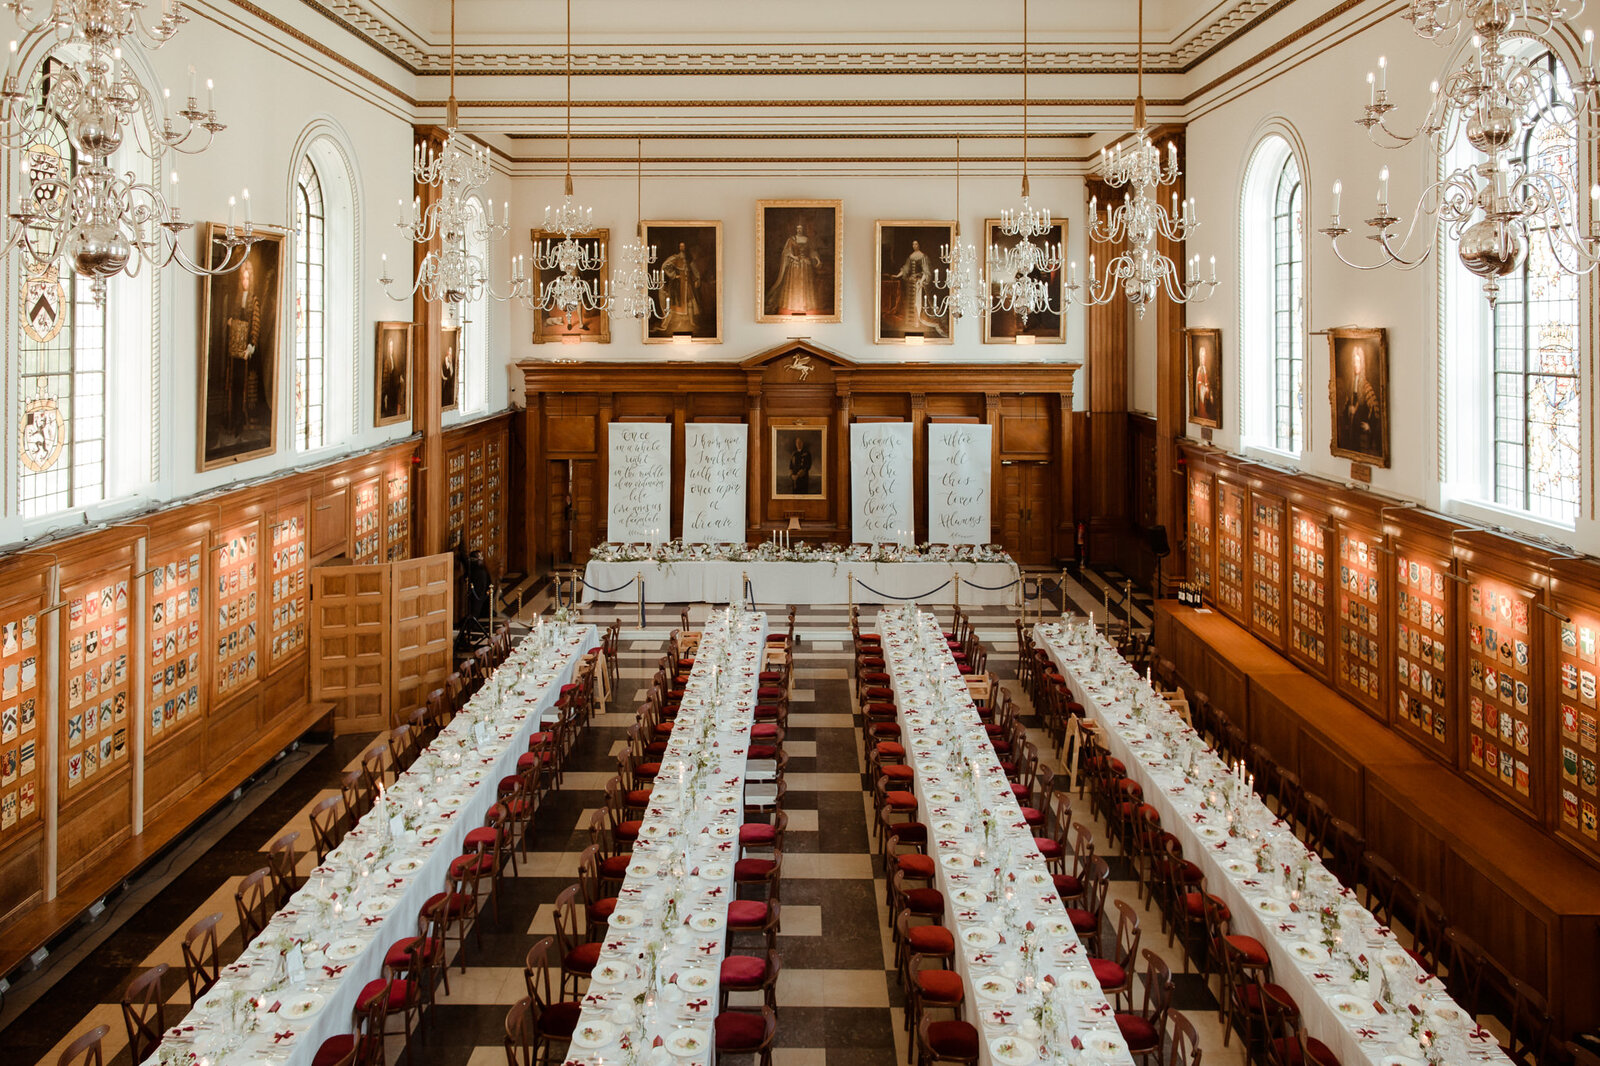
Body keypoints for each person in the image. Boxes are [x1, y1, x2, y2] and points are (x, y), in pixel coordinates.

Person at [890, 239, 946, 337]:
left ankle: (919, 323)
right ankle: (912, 324)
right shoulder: (911, 256)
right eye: (913, 244)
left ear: (919, 245)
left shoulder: (923, 256)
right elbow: (906, 269)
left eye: (916, 244)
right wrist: (897, 275)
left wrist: (921, 281)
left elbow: (926, 271)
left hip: (919, 283)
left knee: (918, 302)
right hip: (911, 283)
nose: (914, 246)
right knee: (910, 303)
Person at [766, 221, 822, 315]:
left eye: (801, 229)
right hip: (795, 265)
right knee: (795, 284)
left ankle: (804, 305)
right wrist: (794, 257)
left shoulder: (807, 239)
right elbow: (786, 252)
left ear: (803, 230)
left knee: (804, 284)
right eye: (798, 228)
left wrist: (817, 259)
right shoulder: (791, 239)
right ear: (796, 229)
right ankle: (794, 305)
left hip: (805, 264)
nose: (799, 230)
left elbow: (812, 251)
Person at [1340, 343, 1380, 455]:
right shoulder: (1352, 385)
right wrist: (1349, 409)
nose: (1355, 365)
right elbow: (1347, 405)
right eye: (1354, 362)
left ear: (1362, 364)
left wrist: (1369, 425)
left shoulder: (1366, 387)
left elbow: (1375, 410)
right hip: (1353, 430)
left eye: (1358, 362)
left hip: (1362, 433)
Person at [659, 241, 701, 334]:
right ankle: (674, 323)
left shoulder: (688, 259)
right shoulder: (675, 258)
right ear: (678, 247)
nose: (682, 248)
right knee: (676, 305)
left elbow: (694, 270)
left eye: (683, 246)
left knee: (690, 302)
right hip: (678, 285)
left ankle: (691, 322)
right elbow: (665, 266)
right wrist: (674, 275)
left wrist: (697, 278)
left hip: (687, 284)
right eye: (680, 246)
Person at [380, 331, 406, 419]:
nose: (391, 348)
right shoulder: (386, 361)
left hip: (394, 390)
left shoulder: (394, 359)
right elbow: (385, 379)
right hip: (388, 391)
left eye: (392, 346)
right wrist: (385, 393)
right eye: (389, 346)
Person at [1192, 341, 1215, 422]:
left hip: (1207, 398)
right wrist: (1205, 390)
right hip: (1202, 400)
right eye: (1202, 357)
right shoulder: (1200, 370)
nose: (1203, 359)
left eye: (1204, 356)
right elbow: (1199, 386)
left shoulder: (1206, 369)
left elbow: (1208, 382)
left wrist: (1210, 392)